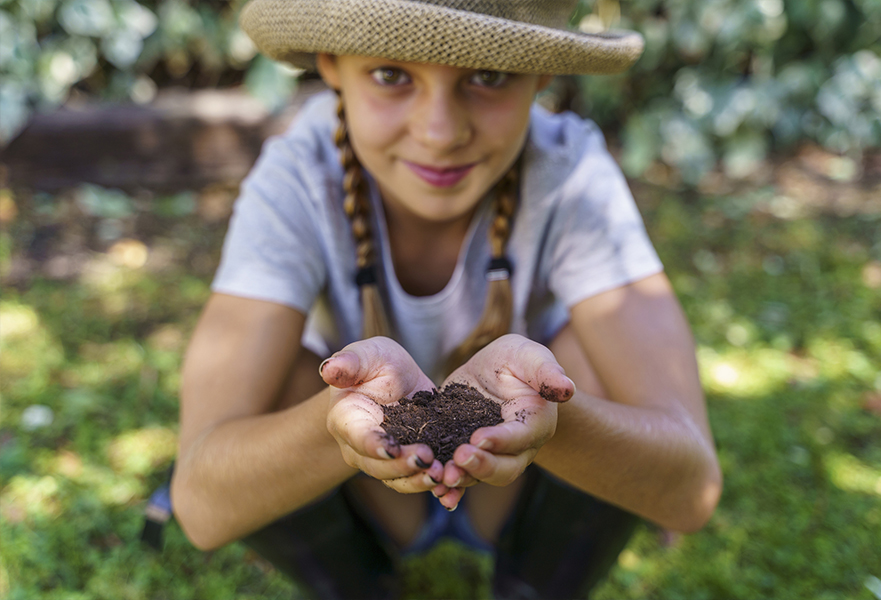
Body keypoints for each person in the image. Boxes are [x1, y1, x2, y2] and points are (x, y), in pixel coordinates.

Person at [169, 0, 723, 598]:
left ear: (542, 75)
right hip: (366, 493)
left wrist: (552, 420)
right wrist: (336, 426)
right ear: (331, 66)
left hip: (516, 490)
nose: (439, 132)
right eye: (391, 75)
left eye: (488, 76)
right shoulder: (298, 178)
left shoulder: (570, 172)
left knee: (594, 360)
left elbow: (690, 493)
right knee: (280, 381)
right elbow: (200, 508)